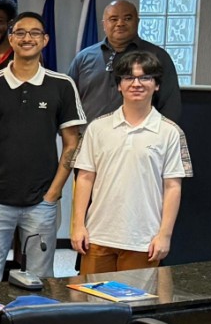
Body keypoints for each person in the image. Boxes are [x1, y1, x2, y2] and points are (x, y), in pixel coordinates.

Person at [0, 11, 85, 284]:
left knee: (38, 278)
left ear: (45, 40)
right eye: (20, 32)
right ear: (11, 39)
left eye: (34, 33)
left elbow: (72, 143)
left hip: (41, 202)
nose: (27, 38)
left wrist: (53, 193)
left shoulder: (62, 85)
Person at [71, 51, 191, 274]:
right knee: (92, 303)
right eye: (129, 78)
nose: (137, 84)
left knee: (136, 305)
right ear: (119, 85)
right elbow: (85, 177)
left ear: (156, 85)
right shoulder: (98, 128)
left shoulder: (170, 132)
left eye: (145, 77)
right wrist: (78, 226)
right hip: (98, 236)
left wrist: (164, 235)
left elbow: (173, 186)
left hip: (143, 240)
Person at [67, 0, 182, 125]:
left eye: (127, 18)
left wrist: (158, 138)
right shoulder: (84, 57)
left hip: (139, 139)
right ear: (104, 24)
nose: (120, 23)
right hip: (89, 138)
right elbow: (68, 102)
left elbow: (170, 105)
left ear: (137, 22)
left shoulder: (158, 57)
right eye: (113, 19)